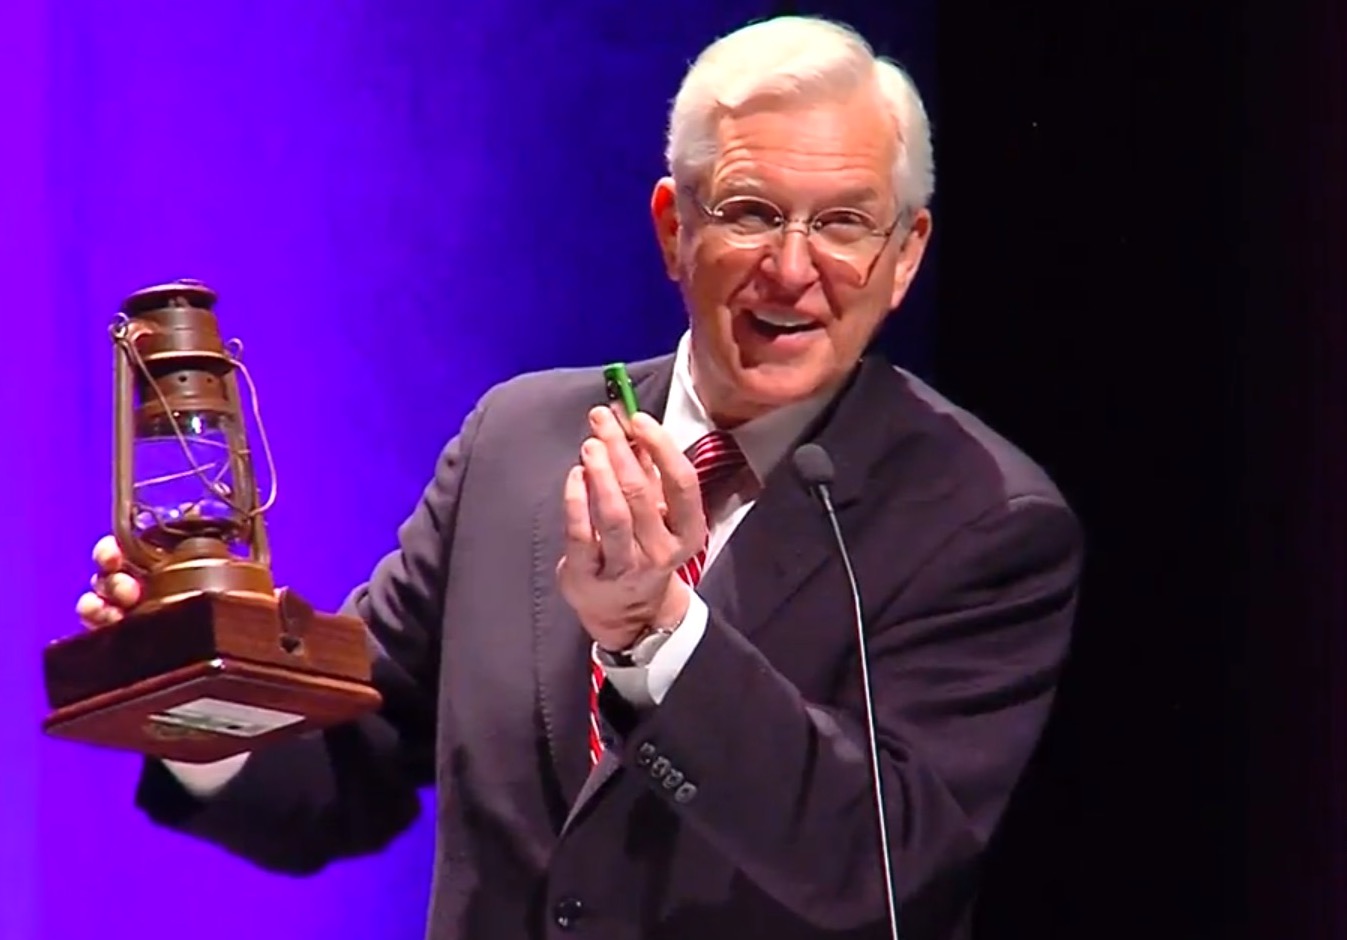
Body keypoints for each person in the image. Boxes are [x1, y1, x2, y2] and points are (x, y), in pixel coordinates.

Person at [78, 15, 1082, 940]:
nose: (790, 268)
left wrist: (656, 633)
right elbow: (347, 763)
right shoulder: (519, 440)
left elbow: (880, 863)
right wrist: (188, 693)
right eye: (749, 211)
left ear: (906, 256)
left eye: (843, 224)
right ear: (673, 229)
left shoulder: (987, 520)